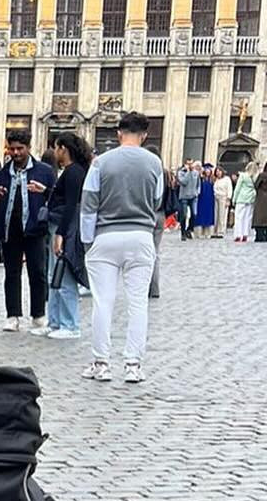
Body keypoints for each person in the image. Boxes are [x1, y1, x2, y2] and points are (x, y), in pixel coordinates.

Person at [80, 111, 163, 384]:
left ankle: (101, 362)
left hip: (106, 236)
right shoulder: (154, 162)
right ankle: (133, 364)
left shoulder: (101, 162)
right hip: (140, 236)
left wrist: (87, 240)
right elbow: (157, 198)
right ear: (145, 134)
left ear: (118, 133)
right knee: (138, 302)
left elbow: (89, 203)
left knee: (103, 302)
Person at [0, 131, 55, 334]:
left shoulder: (44, 171)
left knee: (37, 272)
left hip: (35, 228)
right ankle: (12, 315)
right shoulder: (1, 174)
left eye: (20, 148)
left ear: (28, 147)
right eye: (12, 149)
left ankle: (38, 314)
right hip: (11, 229)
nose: (16, 153)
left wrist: (44, 192)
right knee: (12, 273)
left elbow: (55, 198)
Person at [45, 133, 91, 340]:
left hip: (66, 227)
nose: (55, 152)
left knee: (64, 276)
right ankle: (54, 322)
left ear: (63, 148)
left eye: (56, 148)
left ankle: (70, 324)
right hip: (60, 224)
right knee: (54, 276)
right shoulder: (72, 171)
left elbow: (72, 205)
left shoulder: (74, 172)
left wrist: (62, 234)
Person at [175, 160, 201, 241]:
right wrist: (188, 172)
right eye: (188, 164)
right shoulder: (181, 173)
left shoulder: (196, 173)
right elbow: (184, 182)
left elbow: (198, 184)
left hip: (193, 196)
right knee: (184, 215)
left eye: (191, 163)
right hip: (184, 196)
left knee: (194, 214)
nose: (190, 165)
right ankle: (183, 232)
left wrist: (197, 192)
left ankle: (189, 229)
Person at [231, 165, 256, 243]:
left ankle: (238, 235)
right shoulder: (254, 177)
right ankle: (245, 234)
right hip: (251, 199)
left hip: (241, 198)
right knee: (247, 218)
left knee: (239, 218)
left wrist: (234, 199)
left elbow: (238, 188)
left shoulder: (243, 176)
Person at [195, 164, 216, 237]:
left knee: (209, 215)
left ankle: (208, 232)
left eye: (209, 170)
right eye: (206, 170)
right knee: (200, 214)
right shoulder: (201, 179)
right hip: (201, 198)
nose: (207, 172)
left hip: (210, 199)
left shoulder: (212, 180)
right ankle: (199, 232)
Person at [212, 166, 233, 239]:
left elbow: (229, 189)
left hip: (223, 197)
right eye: (217, 171)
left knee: (222, 215)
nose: (218, 173)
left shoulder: (226, 179)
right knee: (216, 215)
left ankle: (221, 231)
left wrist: (228, 199)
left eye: (219, 171)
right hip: (216, 197)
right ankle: (215, 231)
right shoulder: (216, 180)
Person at [255, 165, 267, 244]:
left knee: (259, 219)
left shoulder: (261, 175)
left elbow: (255, 185)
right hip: (262, 198)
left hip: (261, 198)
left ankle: (259, 236)